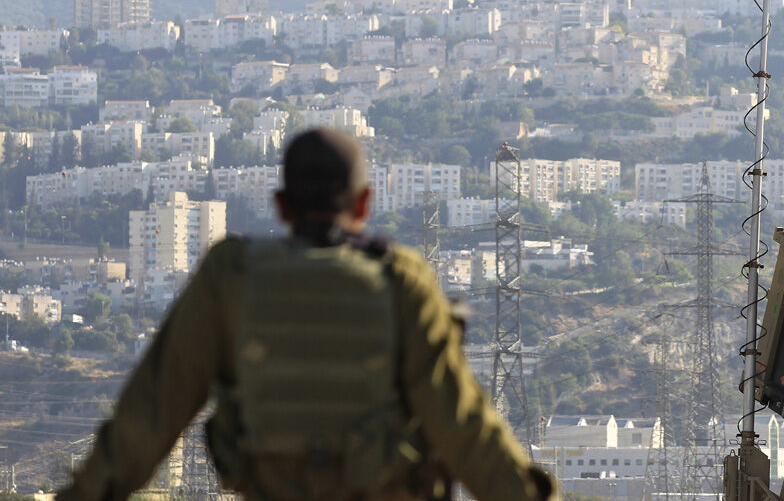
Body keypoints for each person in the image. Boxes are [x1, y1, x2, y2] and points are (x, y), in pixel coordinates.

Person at [59, 128, 557, 501]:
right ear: (364, 202)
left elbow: (150, 416)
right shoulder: (401, 279)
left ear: (280, 205)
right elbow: (462, 425)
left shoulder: (230, 276)